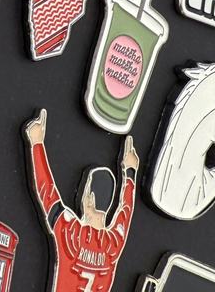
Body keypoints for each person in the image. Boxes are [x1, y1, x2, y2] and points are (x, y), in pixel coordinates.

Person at [24, 109, 138, 292]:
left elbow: (47, 192)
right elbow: (126, 210)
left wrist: (37, 143)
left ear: (89, 199)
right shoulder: (114, 244)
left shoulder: (71, 234)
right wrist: (130, 172)